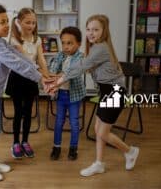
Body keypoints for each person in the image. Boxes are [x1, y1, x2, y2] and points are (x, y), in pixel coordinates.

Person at [48, 15, 139, 176]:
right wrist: (59, 78)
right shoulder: (95, 47)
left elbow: (81, 67)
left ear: (104, 31)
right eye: (89, 29)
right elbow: (80, 66)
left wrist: (58, 82)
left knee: (103, 132)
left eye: (96, 29)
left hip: (115, 93)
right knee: (98, 130)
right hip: (106, 92)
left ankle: (130, 151)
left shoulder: (101, 48)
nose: (91, 33)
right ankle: (99, 163)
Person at [0, 3, 49, 182]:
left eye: (7, 21)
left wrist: (40, 71)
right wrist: (40, 78)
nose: (7, 25)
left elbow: (20, 57)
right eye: (2, 22)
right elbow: (17, 65)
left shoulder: (1, 42)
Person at [6, 8, 50, 159]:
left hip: (31, 79)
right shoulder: (14, 39)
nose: (31, 25)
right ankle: (16, 143)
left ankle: (25, 141)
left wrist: (47, 75)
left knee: (28, 112)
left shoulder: (37, 39)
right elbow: (26, 59)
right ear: (19, 22)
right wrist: (41, 76)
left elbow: (41, 59)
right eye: (27, 22)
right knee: (18, 112)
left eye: (33, 22)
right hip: (18, 79)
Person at [48, 27, 86, 161]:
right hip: (61, 95)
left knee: (74, 123)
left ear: (79, 43)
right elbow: (52, 70)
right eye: (63, 43)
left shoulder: (80, 57)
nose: (65, 46)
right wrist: (57, 65)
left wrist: (58, 76)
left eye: (69, 43)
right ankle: (56, 147)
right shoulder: (60, 56)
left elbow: (70, 73)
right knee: (59, 122)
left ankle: (73, 148)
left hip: (74, 96)